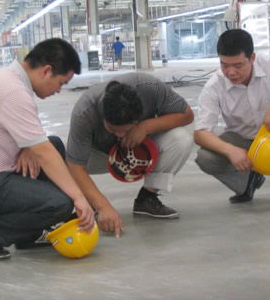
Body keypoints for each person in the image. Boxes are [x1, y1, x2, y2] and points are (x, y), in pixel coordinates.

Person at [0, 38, 94, 261]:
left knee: (54, 143)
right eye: (61, 83)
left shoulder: (11, 79)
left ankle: (29, 234)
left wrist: (28, 149)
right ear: (46, 71)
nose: (59, 90)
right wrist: (79, 198)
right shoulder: (13, 92)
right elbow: (43, 152)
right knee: (61, 204)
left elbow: (39, 144)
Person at [194, 29, 270, 211]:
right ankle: (248, 180)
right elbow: (201, 133)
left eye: (238, 65)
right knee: (205, 158)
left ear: (252, 58)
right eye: (224, 65)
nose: (231, 72)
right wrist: (230, 150)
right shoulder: (214, 86)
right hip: (244, 141)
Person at [66, 73, 194, 238]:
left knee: (182, 139)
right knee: (61, 163)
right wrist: (103, 206)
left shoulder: (149, 87)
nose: (120, 135)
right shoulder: (84, 112)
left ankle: (147, 198)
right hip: (99, 155)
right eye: (113, 130)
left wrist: (145, 127)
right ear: (102, 116)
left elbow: (187, 115)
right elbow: (75, 166)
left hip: (140, 147)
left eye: (127, 129)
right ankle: (88, 204)